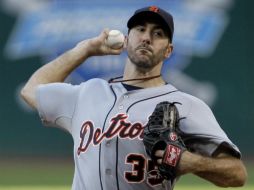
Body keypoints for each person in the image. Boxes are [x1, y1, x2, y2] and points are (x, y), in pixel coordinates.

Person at [21, 5, 247, 190]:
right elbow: (31, 90)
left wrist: (188, 161)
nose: (147, 38)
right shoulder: (88, 92)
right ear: (127, 40)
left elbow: (236, 174)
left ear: (168, 50)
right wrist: (85, 49)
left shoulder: (187, 105)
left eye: (158, 34)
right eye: (140, 29)